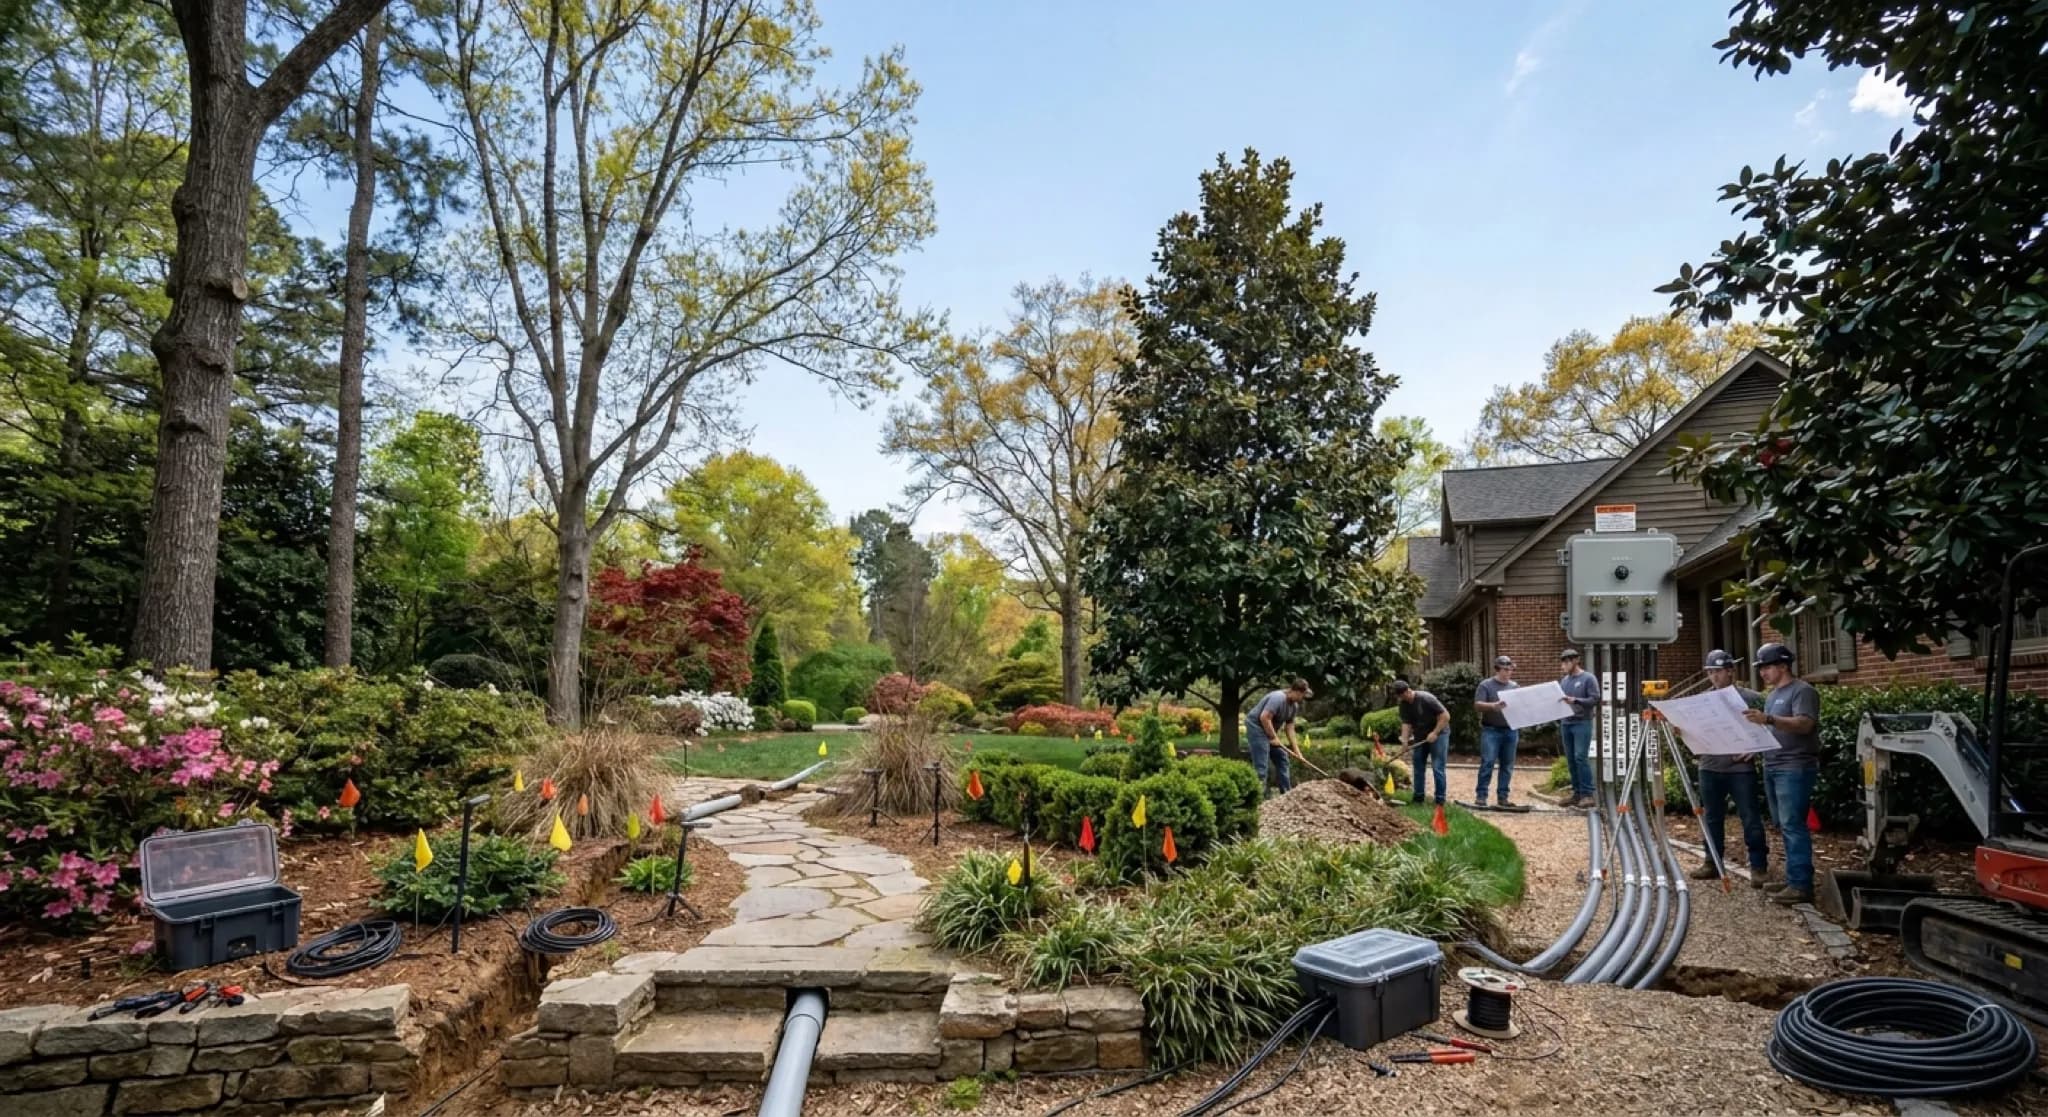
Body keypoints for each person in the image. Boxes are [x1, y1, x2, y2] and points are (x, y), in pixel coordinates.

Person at [1743, 642, 1822, 905]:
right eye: (1761, 667)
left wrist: (1769, 719)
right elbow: (1772, 731)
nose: (1763, 672)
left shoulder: (1803, 691)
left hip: (1794, 767)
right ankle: (1792, 879)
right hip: (1773, 765)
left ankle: (1801, 885)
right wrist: (1754, 749)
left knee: (1793, 824)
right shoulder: (1772, 695)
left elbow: (1804, 724)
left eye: (1767, 666)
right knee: (1782, 824)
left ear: (1783, 666)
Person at [1688, 650, 1768, 887]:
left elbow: (1769, 728)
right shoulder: (1702, 699)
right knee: (1712, 817)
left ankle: (1758, 866)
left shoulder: (1751, 698)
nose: (1714, 676)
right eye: (1710, 672)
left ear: (1731, 671)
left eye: (1718, 671)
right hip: (1709, 766)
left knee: (1750, 817)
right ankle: (1712, 862)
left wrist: (1757, 749)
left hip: (1740, 769)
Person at [1245, 678, 1310, 797]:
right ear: (1296, 691)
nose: (1302, 699)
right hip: (1257, 727)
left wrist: (1297, 752)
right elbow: (1264, 717)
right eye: (1302, 695)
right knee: (1262, 765)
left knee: (1282, 757)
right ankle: (1259, 799)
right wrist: (1273, 737)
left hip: (1269, 730)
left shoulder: (1294, 706)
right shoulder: (1278, 698)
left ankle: (1286, 795)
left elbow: (1289, 728)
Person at [1472, 655, 1520, 807]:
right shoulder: (1486, 685)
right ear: (1498, 669)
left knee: (1507, 765)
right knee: (1488, 762)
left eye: (1510, 669)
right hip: (1491, 730)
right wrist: (1493, 706)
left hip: (1510, 730)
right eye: (1505, 669)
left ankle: (1503, 797)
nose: (1508, 672)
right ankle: (1481, 796)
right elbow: (1478, 705)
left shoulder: (1514, 686)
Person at [1393, 679, 1450, 805]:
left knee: (1437, 767)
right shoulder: (1403, 704)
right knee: (1418, 765)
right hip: (1420, 735)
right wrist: (1404, 742)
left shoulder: (1426, 698)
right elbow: (1406, 724)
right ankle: (1418, 798)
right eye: (1400, 697)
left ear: (1408, 691)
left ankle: (1440, 800)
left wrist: (1435, 733)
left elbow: (1445, 716)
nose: (1403, 699)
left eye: (1403, 696)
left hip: (1439, 733)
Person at [1556, 649, 1599, 808]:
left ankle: (1588, 795)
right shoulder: (1564, 681)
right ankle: (1577, 793)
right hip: (1566, 723)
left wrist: (1575, 700)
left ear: (1575, 661)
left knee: (1580, 757)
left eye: (1566, 662)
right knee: (1571, 759)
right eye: (1562, 662)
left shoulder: (1588, 678)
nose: (1563, 665)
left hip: (1582, 722)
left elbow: (1594, 699)